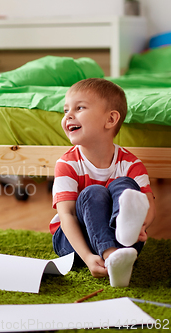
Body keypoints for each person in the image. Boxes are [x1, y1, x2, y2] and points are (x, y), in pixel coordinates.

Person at [50, 78, 155, 287]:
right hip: (74, 243)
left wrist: (142, 225)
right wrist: (88, 257)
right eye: (65, 110)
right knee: (94, 192)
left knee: (124, 184)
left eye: (79, 108)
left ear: (110, 119)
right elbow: (67, 215)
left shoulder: (131, 163)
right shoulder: (67, 164)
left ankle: (122, 241)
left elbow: (148, 204)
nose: (68, 115)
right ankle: (111, 255)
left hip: (124, 242)